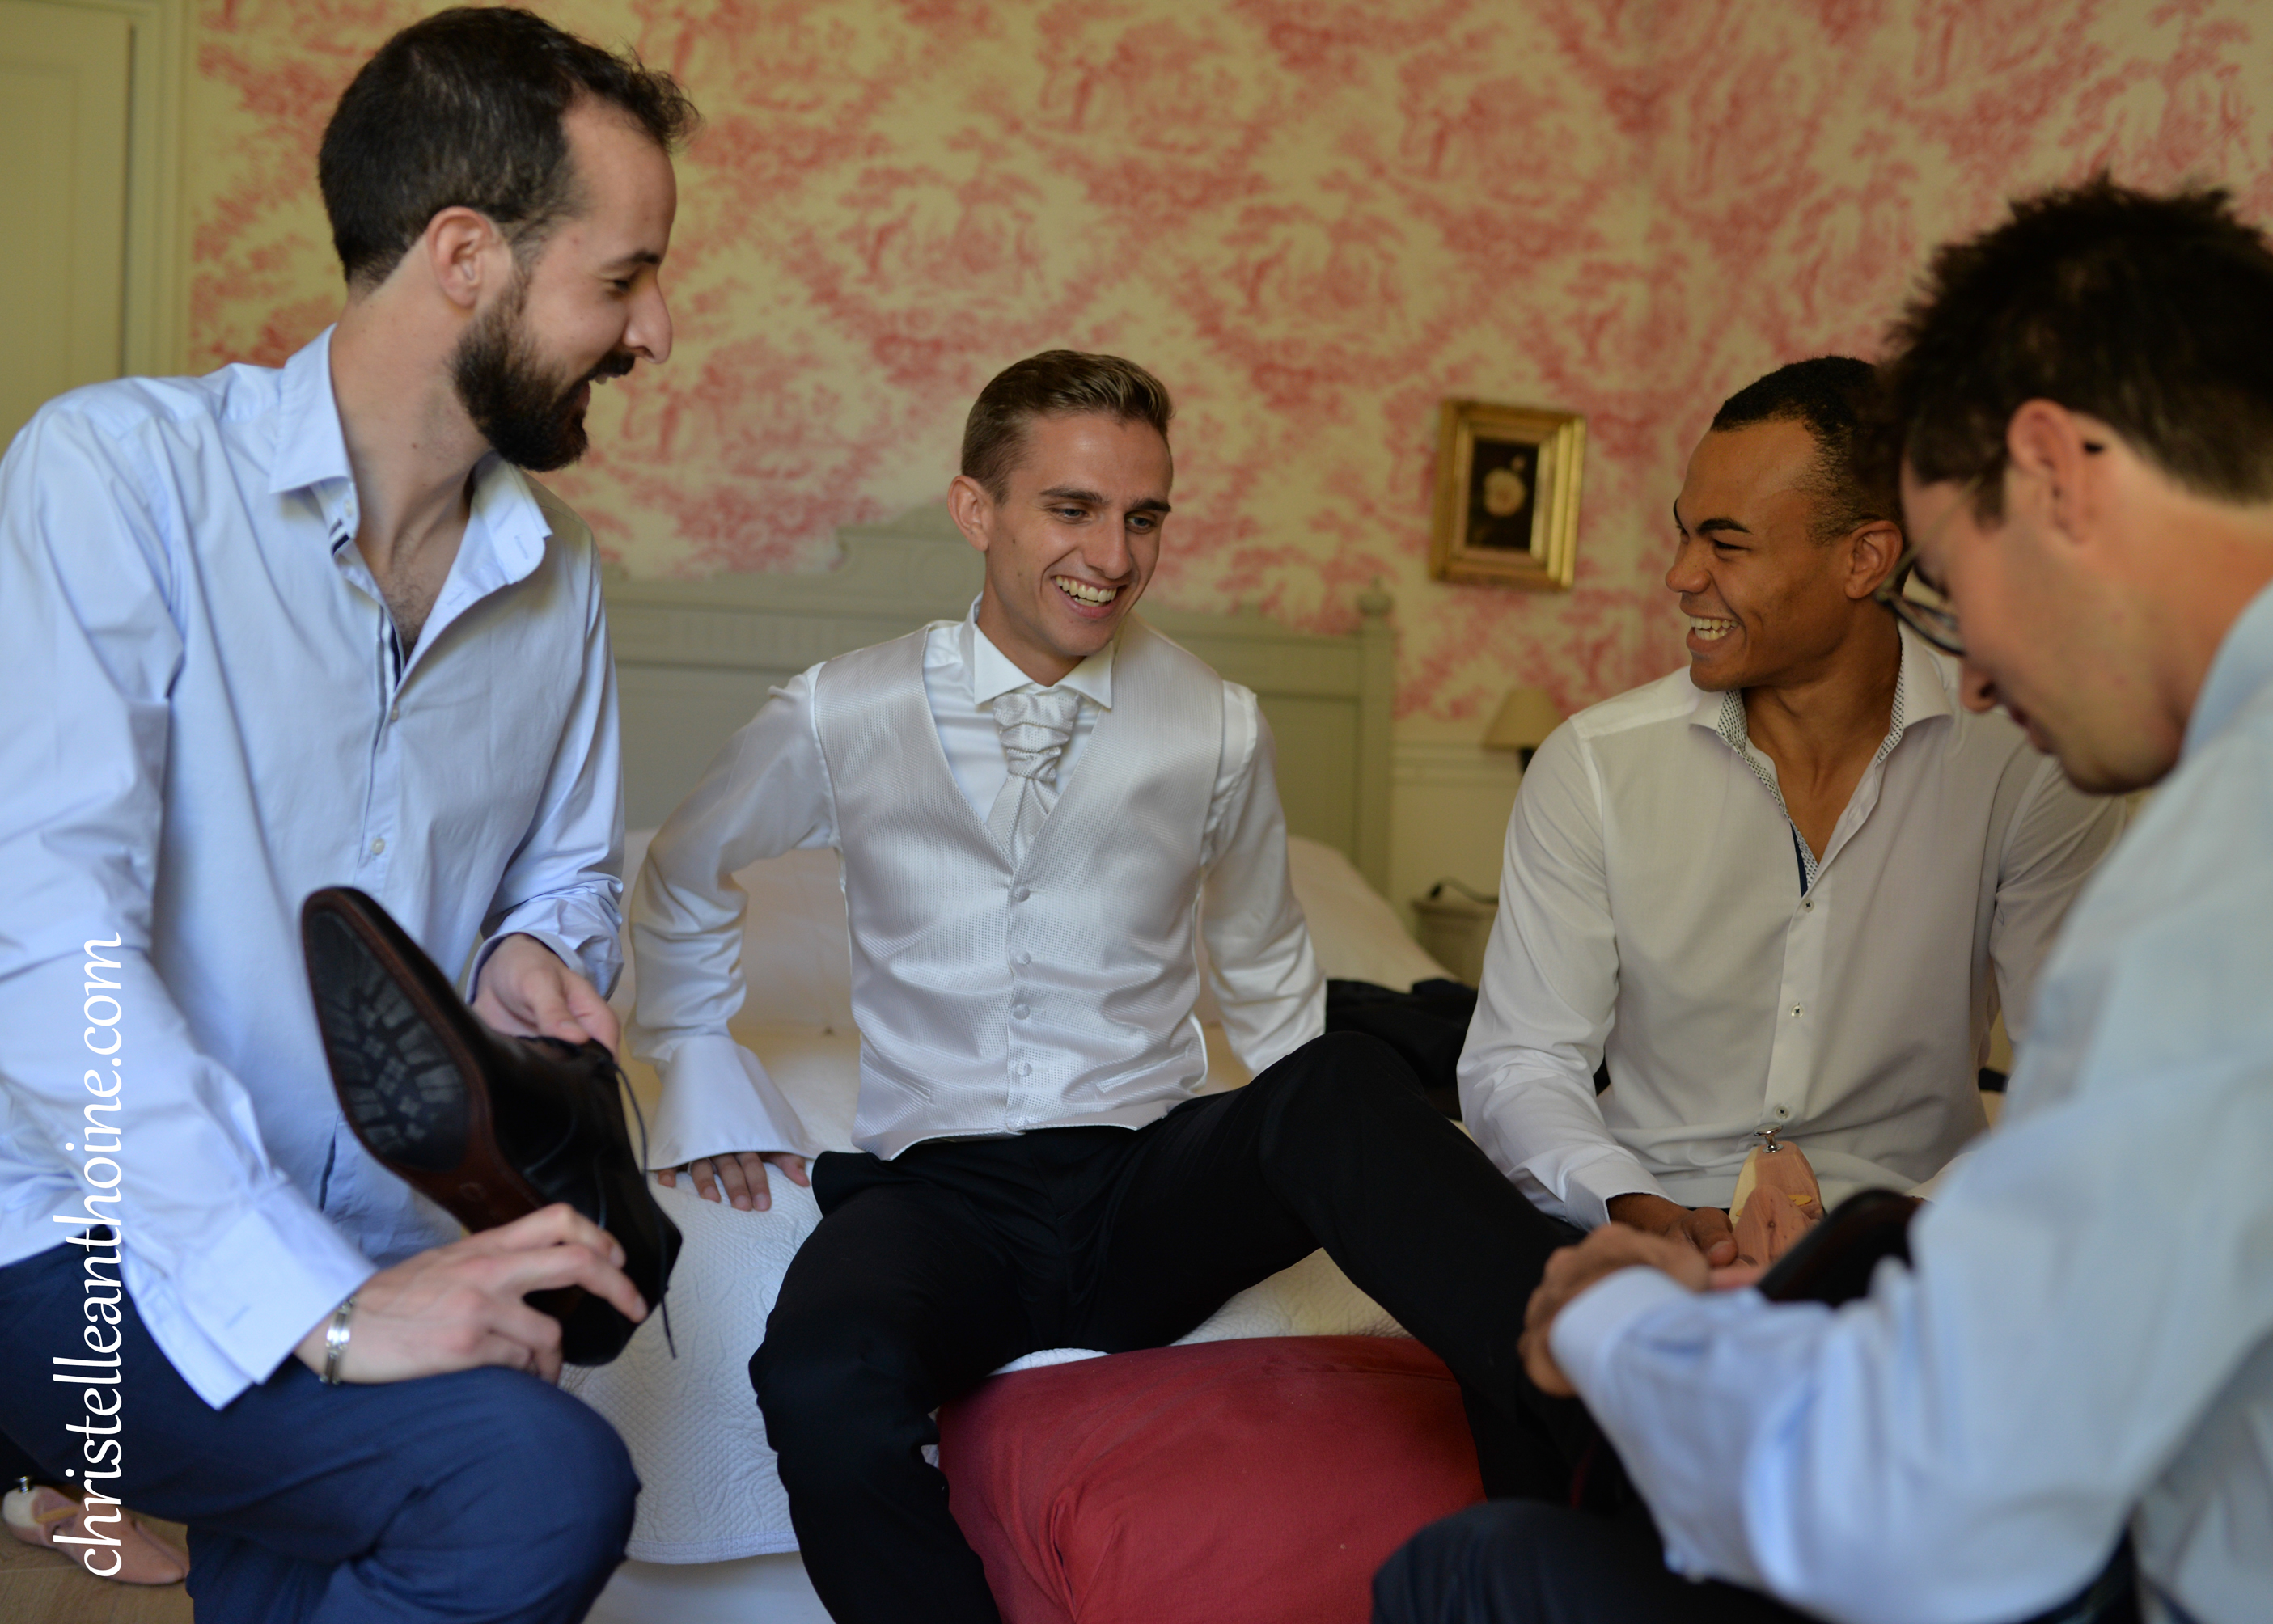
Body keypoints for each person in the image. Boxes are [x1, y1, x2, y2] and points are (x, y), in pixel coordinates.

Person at [1378, 177, 2273, 1624]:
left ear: (2055, 474)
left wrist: (1617, 1320)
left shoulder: (2246, 852)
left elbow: (1913, 1500)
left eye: (1950, 582)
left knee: (1472, 1570)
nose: (1975, 669)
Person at [629, 350, 1594, 1624]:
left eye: (1145, 517)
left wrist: (1360, 1169)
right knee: (816, 1374)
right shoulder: (838, 712)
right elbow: (684, 867)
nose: (1115, 554)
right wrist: (703, 1069)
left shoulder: (1217, 722)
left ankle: (1590, 1485)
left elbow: (1268, 973)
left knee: (1350, 1077)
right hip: (942, 1197)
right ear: (976, 510)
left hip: (1149, 1185)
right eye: (1073, 509)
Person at [0, 10, 697, 1619]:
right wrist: (316, 1308)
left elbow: (567, 871)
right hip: (76, 1246)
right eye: (622, 278)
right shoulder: (115, 476)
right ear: (464, 255)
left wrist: (535, 948)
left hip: (391, 1233)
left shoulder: (559, 572)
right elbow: (45, 939)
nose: (653, 332)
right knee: (536, 1478)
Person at [1459, 357, 2122, 1274]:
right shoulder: (1595, 765)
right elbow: (1522, 1062)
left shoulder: (2026, 764)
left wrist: (1886, 1240)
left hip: (1918, 1241)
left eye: (1725, 544)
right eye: (1683, 532)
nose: (1679, 574)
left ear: (1865, 559)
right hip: (1647, 1222)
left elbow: (2080, 1068)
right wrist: (1641, 1212)